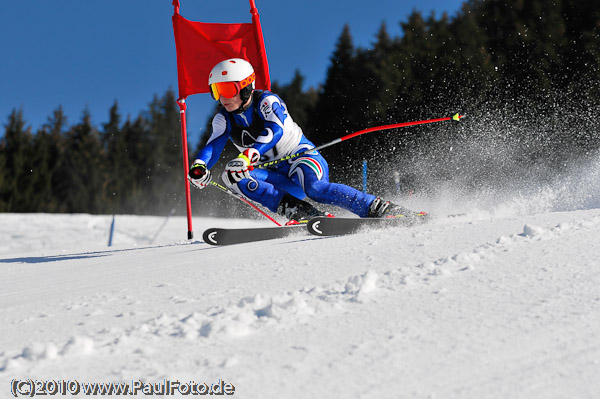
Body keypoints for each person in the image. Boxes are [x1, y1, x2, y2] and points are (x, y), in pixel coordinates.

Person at [188, 58, 421, 223]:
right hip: (275, 175)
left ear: (246, 87)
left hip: (301, 159)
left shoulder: (267, 102)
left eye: (227, 89)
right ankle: (302, 213)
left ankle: (376, 207)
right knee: (231, 175)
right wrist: (199, 166)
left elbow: (275, 131)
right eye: (217, 91)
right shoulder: (223, 118)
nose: (222, 98)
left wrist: (248, 155)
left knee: (316, 188)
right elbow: (213, 145)